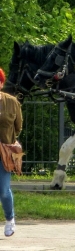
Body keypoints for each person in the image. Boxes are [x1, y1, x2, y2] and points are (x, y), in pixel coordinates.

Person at [0, 67, 22, 237]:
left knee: (3, 190)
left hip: (4, 152)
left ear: (1, 83)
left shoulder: (12, 102)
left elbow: (18, 127)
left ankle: (10, 219)